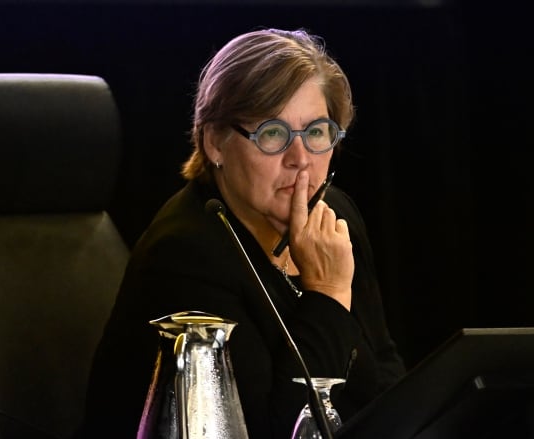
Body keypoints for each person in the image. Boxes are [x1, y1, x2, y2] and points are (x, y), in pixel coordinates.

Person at [77, 27, 407, 438]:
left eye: (317, 132)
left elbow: (383, 375)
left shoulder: (334, 215)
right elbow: (270, 430)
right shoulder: (185, 256)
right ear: (215, 142)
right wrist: (327, 293)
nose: (300, 159)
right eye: (272, 133)